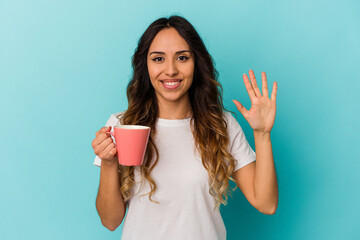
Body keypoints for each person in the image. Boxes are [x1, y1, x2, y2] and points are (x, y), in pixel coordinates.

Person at [91, 15, 278, 240]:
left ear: (196, 63)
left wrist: (262, 133)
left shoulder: (221, 125)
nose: (170, 70)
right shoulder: (121, 125)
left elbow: (266, 203)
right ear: (145, 66)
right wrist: (108, 163)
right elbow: (110, 221)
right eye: (158, 59)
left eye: (182, 57)